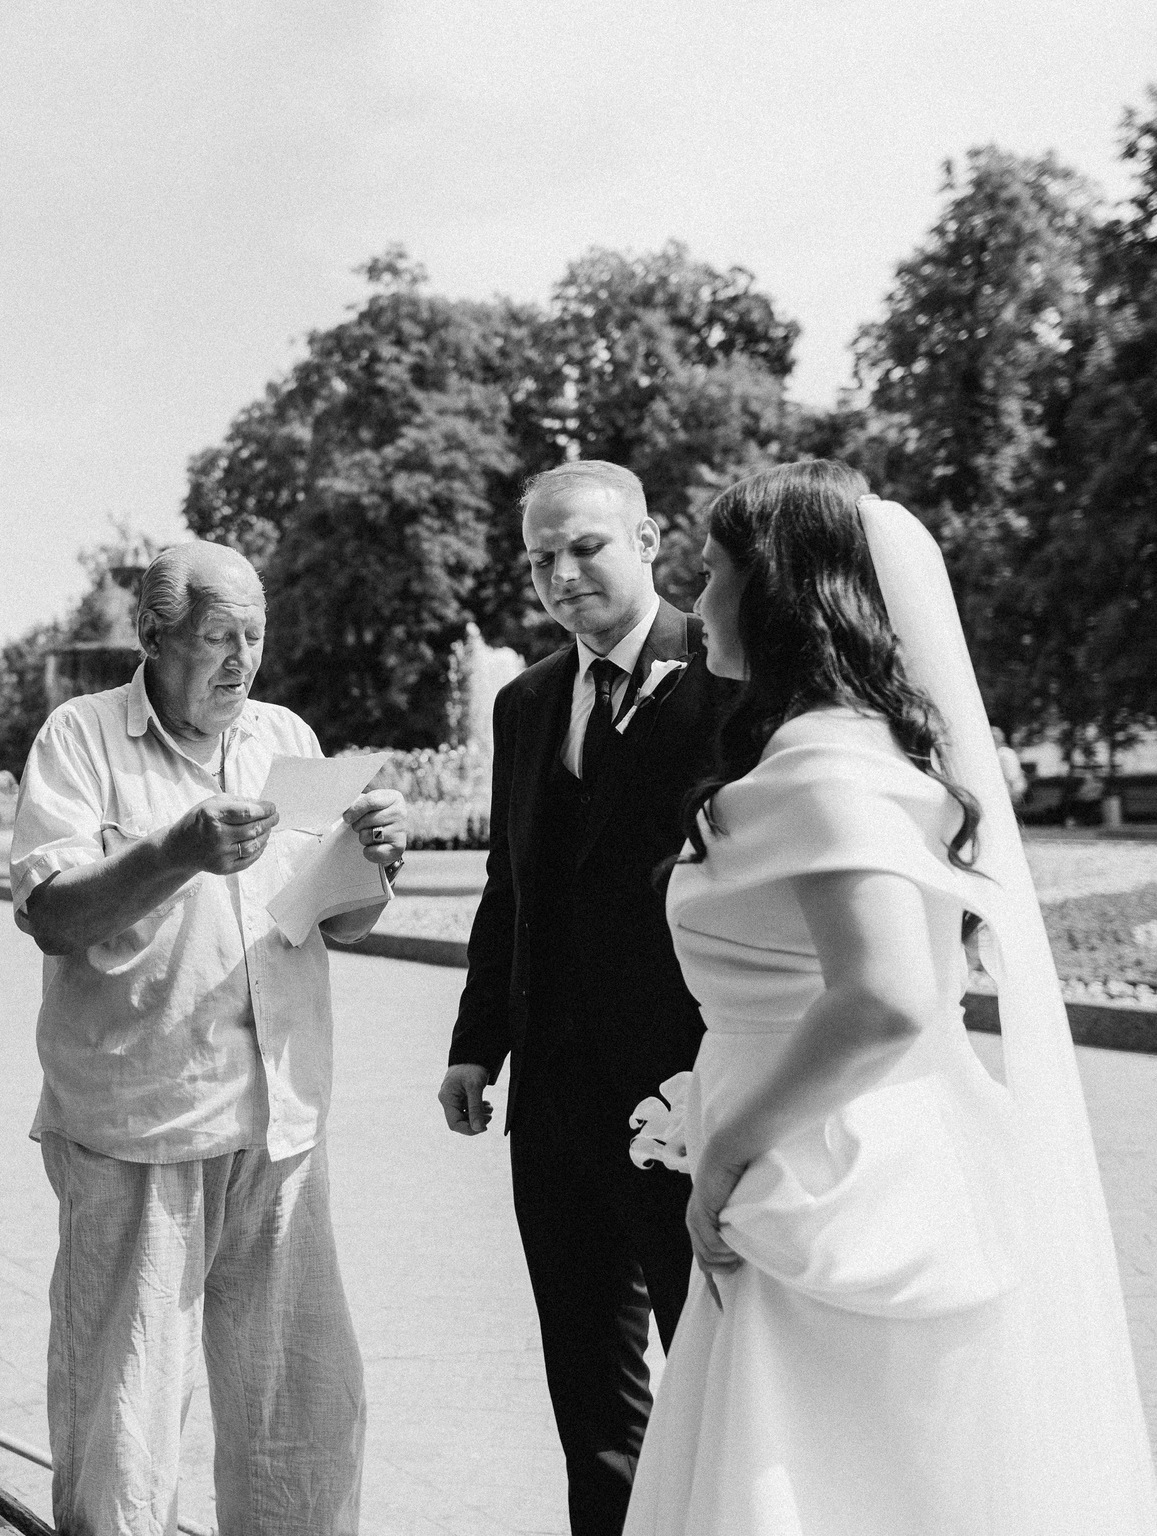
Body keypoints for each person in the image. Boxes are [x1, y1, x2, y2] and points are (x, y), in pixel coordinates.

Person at [621, 461, 1157, 1535]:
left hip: (827, 1172)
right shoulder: (859, 743)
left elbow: (882, 997)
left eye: (714, 570)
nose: (697, 598)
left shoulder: (825, 760)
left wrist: (725, 1145)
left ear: (778, 590)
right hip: (866, 1147)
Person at [9, 540, 409, 1536]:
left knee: (301, 1411)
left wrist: (374, 860)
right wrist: (176, 849)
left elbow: (336, 920)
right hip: (136, 1123)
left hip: (280, 1118)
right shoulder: (82, 737)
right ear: (151, 638)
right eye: (215, 639)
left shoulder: (283, 735)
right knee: (123, 1416)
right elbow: (52, 913)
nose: (240, 662)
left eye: (254, 637)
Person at [440, 460, 724, 1535]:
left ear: (649, 539)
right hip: (551, 1108)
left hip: (682, 1097)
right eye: (539, 557)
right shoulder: (522, 701)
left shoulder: (728, 673)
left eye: (585, 547)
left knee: (711, 1371)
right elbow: (508, 883)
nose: (561, 574)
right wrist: (478, 1043)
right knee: (591, 1401)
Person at [992, 723, 1028, 808]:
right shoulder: (1000, 752)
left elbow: (1011, 777)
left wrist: (1013, 795)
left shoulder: (1004, 753)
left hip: (1012, 792)